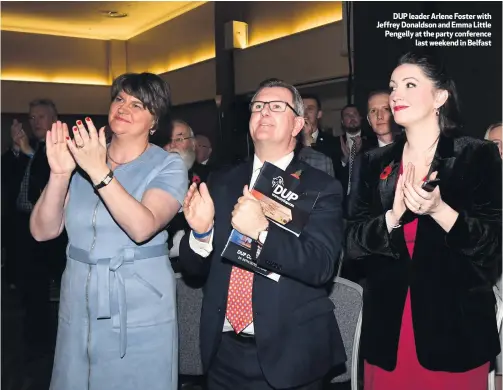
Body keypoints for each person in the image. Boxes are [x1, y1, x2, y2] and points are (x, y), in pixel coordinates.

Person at [345, 52, 501, 390]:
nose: (396, 95)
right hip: (389, 332)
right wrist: (392, 217)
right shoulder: (373, 163)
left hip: (456, 332)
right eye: (393, 86)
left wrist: (440, 211)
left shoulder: (477, 155)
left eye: (410, 85)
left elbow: (492, 247)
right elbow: (352, 246)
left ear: (440, 97)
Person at [179, 79, 346, 389]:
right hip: (223, 350)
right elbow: (193, 269)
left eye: (276, 106)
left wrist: (262, 230)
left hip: (290, 352)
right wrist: (201, 234)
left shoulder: (320, 187)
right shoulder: (222, 181)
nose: (264, 112)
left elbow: (321, 266)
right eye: (257, 106)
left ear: (298, 124)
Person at [29, 73, 188, 390]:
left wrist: (98, 170)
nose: (123, 107)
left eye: (137, 104)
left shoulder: (167, 165)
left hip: (138, 302)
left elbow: (142, 227)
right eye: (119, 99)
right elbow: (42, 231)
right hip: (78, 297)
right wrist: (61, 173)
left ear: (154, 120)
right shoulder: (83, 155)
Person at [1, 99, 67, 359]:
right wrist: (18, 151)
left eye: (40, 116)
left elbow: (51, 178)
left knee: (56, 287)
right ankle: (34, 342)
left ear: (54, 119)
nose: (35, 122)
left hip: (53, 232)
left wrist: (28, 152)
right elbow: (8, 176)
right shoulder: (32, 147)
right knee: (31, 288)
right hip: (24, 227)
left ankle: (53, 344)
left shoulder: (61, 147)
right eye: (32, 117)